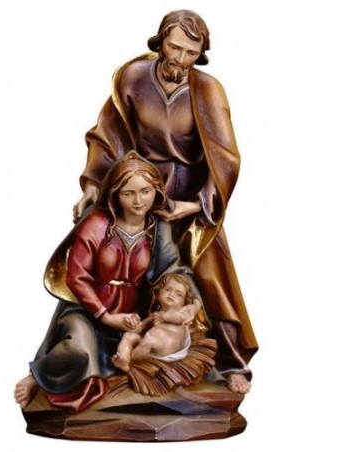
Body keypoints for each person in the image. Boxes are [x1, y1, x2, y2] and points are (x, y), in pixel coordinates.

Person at [73, 10, 258, 394]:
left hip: (191, 196)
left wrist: (194, 206)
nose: (181, 59)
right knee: (102, 254)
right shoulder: (133, 77)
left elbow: (225, 157)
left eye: (191, 52)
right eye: (174, 47)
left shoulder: (208, 90)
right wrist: (92, 185)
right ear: (159, 42)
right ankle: (99, 353)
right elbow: (108, 134)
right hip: (138, 189)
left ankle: (230, 362)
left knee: (209, 273)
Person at [14, 152, 208, 411]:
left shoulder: (158, 227)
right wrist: (105, 316)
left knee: (168, 347)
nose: (138, 201)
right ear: (115, 194)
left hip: (133, 315)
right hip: (87, 311)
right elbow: (77, 277)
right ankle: (38, 378)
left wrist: (194, 305)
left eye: (145, 192)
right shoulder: (96, 224)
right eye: (128, 193)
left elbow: (174, 269)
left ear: (157, 191)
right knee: (80, 352)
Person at [112, 273, 200, 373]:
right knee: (129, 336)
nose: (171, 295)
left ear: (185, 302)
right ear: (157, 294)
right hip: (149, 344)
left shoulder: (182, 312)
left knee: (148, 341)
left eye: (179, 294)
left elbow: (180, 318)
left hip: (167, 347)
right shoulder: (156, 315)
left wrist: (164, 317)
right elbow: (140, 328)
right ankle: (124, 359)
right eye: (168, 290)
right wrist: (133, 324)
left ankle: (132, 362)